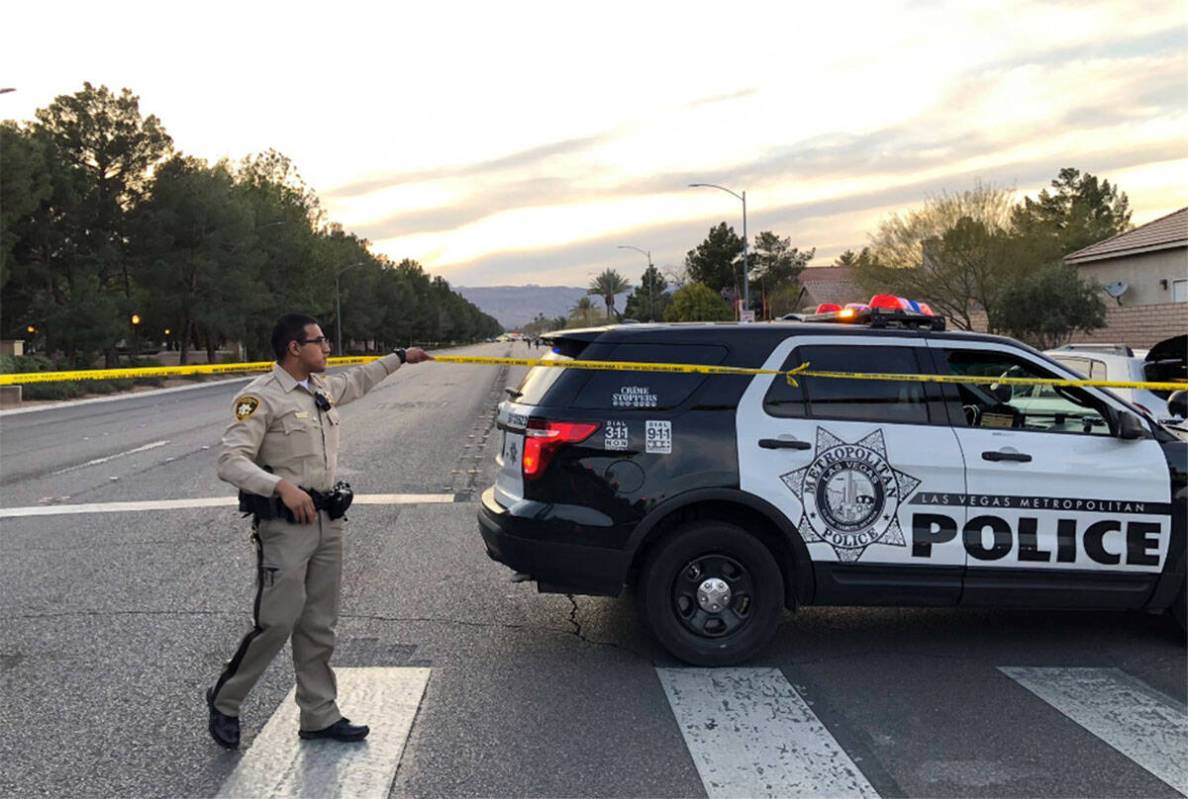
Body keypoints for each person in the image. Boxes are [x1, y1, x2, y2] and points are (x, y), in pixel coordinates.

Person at [205, 313, 430, 749]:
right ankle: (226, 700)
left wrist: (401, 357)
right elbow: (230, 461)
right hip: (285, 527)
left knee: (319, 625)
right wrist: (281, 487)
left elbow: (361, 381)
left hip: (329, 521)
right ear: (294, 348)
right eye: (319, 341)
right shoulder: (260, 398)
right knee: (276, 622)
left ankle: (319, 715)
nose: (326, 348)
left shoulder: (320, 390)